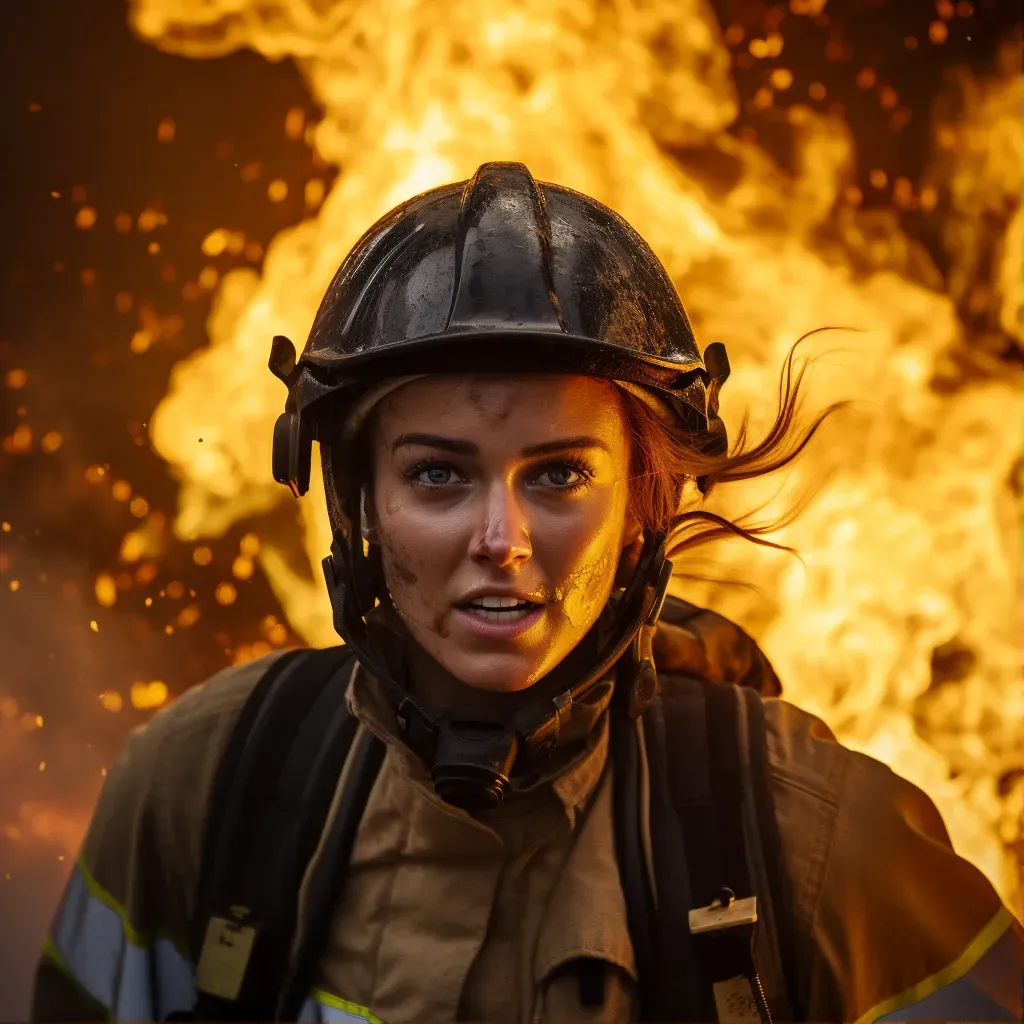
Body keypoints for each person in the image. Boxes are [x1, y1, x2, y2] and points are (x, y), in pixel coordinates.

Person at [31, 162, 1022, 1024]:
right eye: (437, 475)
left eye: (557, 474)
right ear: (356, 500)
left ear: (642, 499)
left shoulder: (815, 840)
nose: (499, 542)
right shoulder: (200, 793)